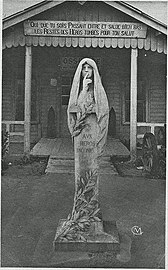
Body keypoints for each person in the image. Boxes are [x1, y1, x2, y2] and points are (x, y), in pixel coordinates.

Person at [67, 58, 109, 157]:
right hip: (80, 128)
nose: (86, 70)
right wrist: (84, 89)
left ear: (94, 70)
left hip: (94, 126)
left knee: (92, 158)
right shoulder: (78, 89)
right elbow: (74, 107)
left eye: (89, 68)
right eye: (84, 68)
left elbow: (103, 109)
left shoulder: (98, 89)